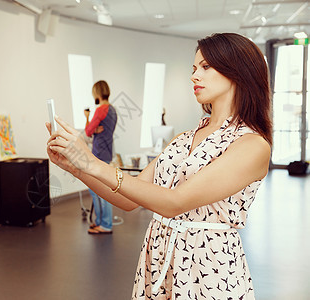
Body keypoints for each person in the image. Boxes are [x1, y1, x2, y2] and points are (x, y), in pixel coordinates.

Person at [46, 32, 271, 299]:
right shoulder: (182, 139)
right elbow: (130, 199)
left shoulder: (251, 145)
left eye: (206, 67)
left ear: (238, 73)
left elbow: (175, 202)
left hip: (208, 268)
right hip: (159, 257)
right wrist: (76, 168)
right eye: (194, 68)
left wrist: (91, 162)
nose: (194, 76)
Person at [83, 80, 117, 234]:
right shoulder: (112, 110)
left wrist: (87, 117)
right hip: (107, 152)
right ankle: (100, 222)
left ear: (97, 93)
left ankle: (105, 224)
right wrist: (96, 129)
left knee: (99, 189)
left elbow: (88, 131)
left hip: (98, 154)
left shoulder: (100, 110)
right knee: (98, 188)